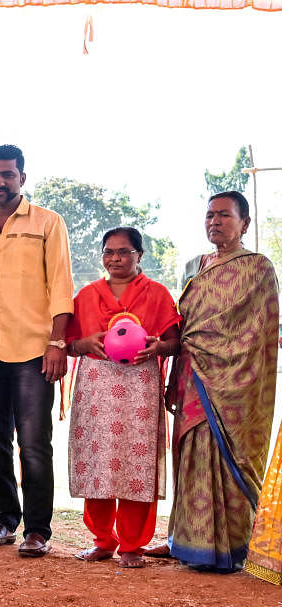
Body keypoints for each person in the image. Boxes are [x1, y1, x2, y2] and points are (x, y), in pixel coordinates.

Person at [0, 144, 73, 558]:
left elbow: (61, 284)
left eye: (7, 175)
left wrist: (57, 343)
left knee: (35, 443)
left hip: (33, 352)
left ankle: (37, 530)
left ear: (22, 178)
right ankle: (4, 519)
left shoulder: (47, 223)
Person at [154, 192, 278, 574]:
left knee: (227, 457)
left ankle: (234, 546)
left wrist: (220, 355)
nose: (215, 222)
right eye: (209, 215)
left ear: (245, 223)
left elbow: (262, 329)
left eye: (224, 215)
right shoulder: (195, 266)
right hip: (193, 375)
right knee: (190, 453)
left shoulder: (258, 268)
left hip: (235, 383)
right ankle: (185, 539)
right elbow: (187, 324)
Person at [66, 228, 180, 569]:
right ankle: (103, 540)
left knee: (136, 465)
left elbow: (175, 341)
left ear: (139, 256)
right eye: (109, 252)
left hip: (139, 387)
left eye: (124, 252)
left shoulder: (157, 294)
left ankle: (132, 544)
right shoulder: (86, 295)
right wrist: (86, 344)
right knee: (97, 462)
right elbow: (70, 343)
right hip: (96, 388)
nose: (115, 258)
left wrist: (158, 347)